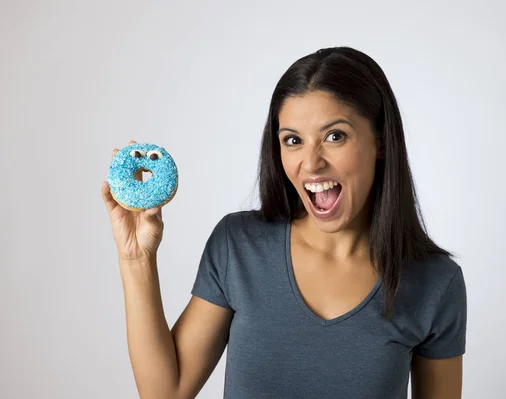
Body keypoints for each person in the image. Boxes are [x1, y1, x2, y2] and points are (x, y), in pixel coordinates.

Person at [101, 46, 467, 399]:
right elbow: (165, 392)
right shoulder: (238, 246)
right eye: (293, 140)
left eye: (334, 136)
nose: (311, 163)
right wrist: (136, 258)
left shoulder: (436, 282)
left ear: (380, 141)